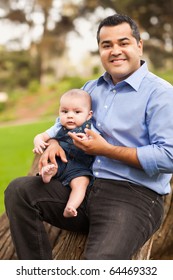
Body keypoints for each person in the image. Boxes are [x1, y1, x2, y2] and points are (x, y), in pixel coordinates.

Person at [4, 14, 173, 260]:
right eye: (107, 45)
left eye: (123, 42)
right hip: (82, 187)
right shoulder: (90, 89)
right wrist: (52, 142)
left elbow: (168, 156)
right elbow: (63, 123)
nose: (115, 51)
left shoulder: (161, 94)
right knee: (19, 191)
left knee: (97, 266)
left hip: (133, 197)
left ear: (139, 46)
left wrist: (105, 149)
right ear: (100, 51)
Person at [33, 88, 95, 218]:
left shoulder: (91, 128)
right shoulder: (58, 127)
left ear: (89, 115)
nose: (70, 116)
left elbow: (97, 142)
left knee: (81, 184)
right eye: (65, 111)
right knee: (52, 165)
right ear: (59, 112)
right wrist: (38, 141)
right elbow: (42, 135)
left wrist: (88, 140)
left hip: (79, 168)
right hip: (60, 161)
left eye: (77, 112)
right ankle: (47, 174)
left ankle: (71, 206)